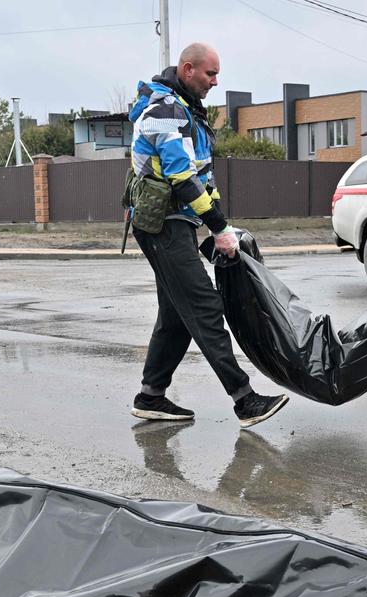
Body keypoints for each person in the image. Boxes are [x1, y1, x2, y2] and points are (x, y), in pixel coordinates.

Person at [125, 42, 288, 428]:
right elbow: (181, 178)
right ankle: (244, 400)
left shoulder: (188, 112)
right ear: (187, 69)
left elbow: (203, 178)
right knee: (204, 306)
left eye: (217, 74)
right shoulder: (165, 111)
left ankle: (151, 396)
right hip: (161, 224)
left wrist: (221, 228)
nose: (216, 81)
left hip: (176, 221)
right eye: (210, 74)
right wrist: (217, 226)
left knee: (177, 314)